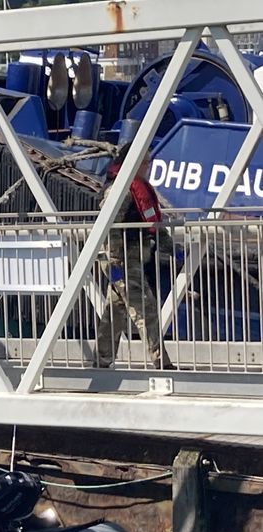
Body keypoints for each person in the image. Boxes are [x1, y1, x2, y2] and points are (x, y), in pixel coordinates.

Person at [95, 145, 175, 370]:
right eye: (144, 162)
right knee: (146, 309)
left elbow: (152, 224)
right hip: (121, 260)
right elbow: (109, 227)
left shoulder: (137, 189)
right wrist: (113, 262)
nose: (148, 166)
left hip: (133, 257)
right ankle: (161, 363)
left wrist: (172, 248)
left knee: (116, 312)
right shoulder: (119, 191)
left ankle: (101, 360)